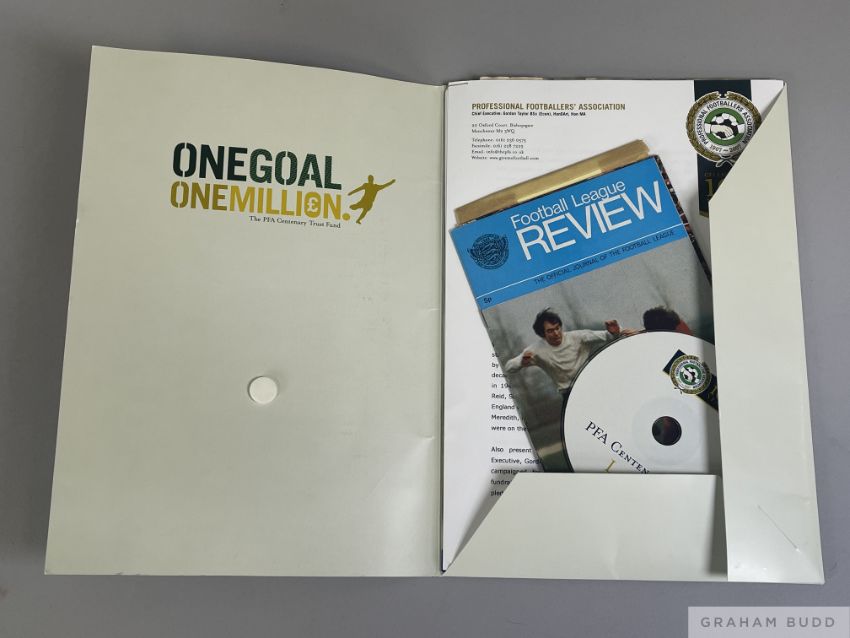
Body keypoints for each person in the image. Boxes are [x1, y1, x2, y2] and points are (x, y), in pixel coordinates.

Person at [504, 308, 622, 399]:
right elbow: (509, 367)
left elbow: (608, 335)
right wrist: (521, 362)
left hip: (591, 384)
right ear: (542, 334)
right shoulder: (536, 350)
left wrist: (615, 332)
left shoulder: (578, 337)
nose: (556, 333)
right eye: (550, 331)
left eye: (557, 328)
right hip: (569, 394)